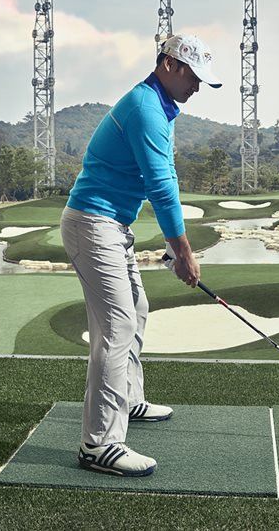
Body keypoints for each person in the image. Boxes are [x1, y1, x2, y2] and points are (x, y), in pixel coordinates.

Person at [60, 33, 222, 476]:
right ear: (169, 65)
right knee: (116, 328)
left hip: (111, 225)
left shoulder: (160, 108)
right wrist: (182, 251)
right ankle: (99, 445)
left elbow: (160, 176)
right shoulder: (147, 109)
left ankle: (127, 401)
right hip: (92, 224)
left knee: (136, 308)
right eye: (193, 76)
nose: (197, 87)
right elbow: (161, 187)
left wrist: (174, 246)